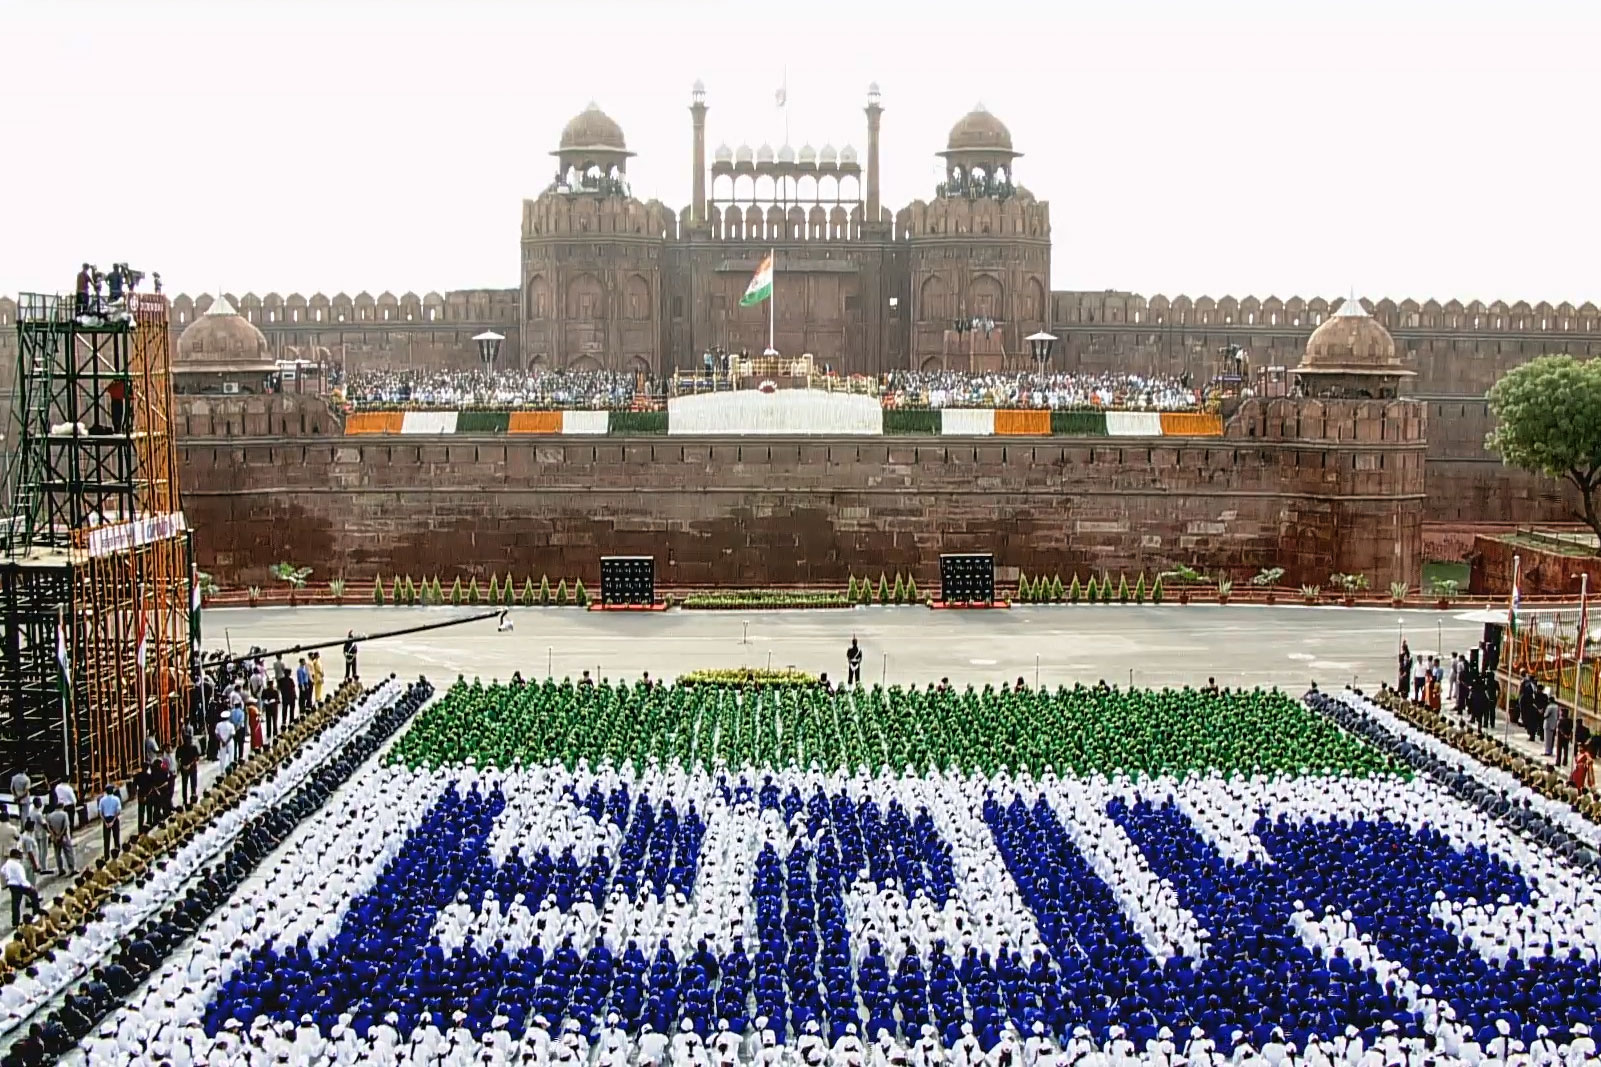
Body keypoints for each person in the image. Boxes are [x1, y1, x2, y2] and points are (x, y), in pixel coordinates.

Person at [3, 849, 41, 929]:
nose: (21, 856)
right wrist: (30, 886)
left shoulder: (8, 863)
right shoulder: (18, 865)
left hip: (12, 885)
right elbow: (22, 879)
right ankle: (36, 913)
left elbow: (2, 870)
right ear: (16, 855)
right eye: (19, 855)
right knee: (34, 895)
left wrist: (8, 877)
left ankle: (15, 922)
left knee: (15, 904)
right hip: (19, 885)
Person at [43, 803, 72, 876]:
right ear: (62, 807)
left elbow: (49, 827)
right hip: (64, 837)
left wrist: (54, 835)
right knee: (68, 853)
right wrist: (60, 835)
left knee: (57, 854)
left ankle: (60, 869)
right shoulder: (64, 814)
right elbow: (65, 826)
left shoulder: (50, 816)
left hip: (54, 837)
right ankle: (71, 869)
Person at [97, 785, 122, 857]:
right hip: (114, 819)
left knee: (106, 840)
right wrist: (113, 821)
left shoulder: (102, 800)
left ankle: (106, 856)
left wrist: (105, 822)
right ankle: (117, 854)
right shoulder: (116, 799)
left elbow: (101, 813)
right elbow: (118, 811)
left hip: (106, 819)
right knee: (116, 837)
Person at [176, 730, 200, 806]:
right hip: (191, 768)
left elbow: (177, 758)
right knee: (192, 784)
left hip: (185, 767)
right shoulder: (193, 748)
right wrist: (189, 765)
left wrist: (182, 765)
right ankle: (191, 798)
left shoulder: (180, 748)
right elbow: (196, 758)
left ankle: (186, 800)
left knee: (186, 785)